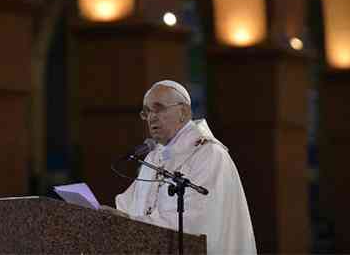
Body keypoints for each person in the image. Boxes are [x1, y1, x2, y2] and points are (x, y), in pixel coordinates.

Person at [102, 80, 257, 255]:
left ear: (184, 112)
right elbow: (130, 206)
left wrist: (131, 221)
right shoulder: (154, 157)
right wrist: (111, 217)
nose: (152, 117)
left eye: (158, 108)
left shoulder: (209, 155)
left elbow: (196, 222)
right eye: (147, 112)